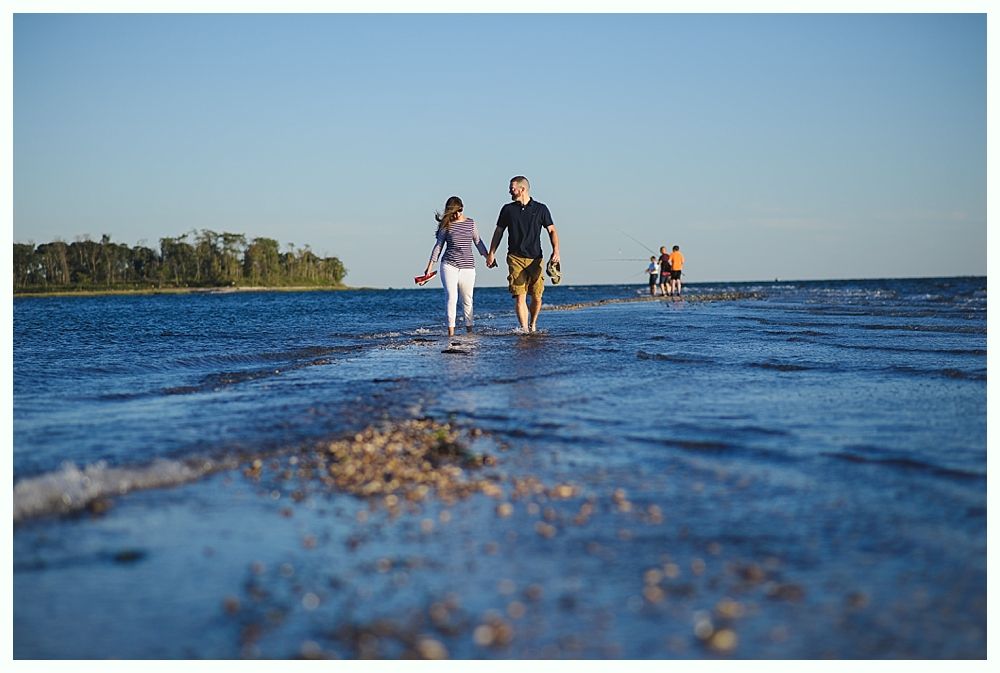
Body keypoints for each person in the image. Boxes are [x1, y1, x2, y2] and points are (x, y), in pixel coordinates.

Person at [485, 176, 560, 333]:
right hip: (515, 257)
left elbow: (552, 230)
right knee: (520, 295)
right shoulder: (507, 209)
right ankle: (525, 329)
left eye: (512, 188)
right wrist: (491, 253)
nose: (509, 191)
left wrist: (556, 251)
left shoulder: (541, 209)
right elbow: (498, 231)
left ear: (522, 189)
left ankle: (533, 324)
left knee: (537, 296)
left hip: (536, 259)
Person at [421, 196, 489, 336]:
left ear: (462, 208)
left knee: (467, 299)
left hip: (468, 267)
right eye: (453, 213)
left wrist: (488, 257)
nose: (457, 215)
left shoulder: (471, 223)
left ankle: (469, 331)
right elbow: (438, 246)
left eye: (459, 211)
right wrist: (429, 267)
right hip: (449, 265)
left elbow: (478, 242)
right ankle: (451, 333)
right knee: (452, 297)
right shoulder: (447, 225)